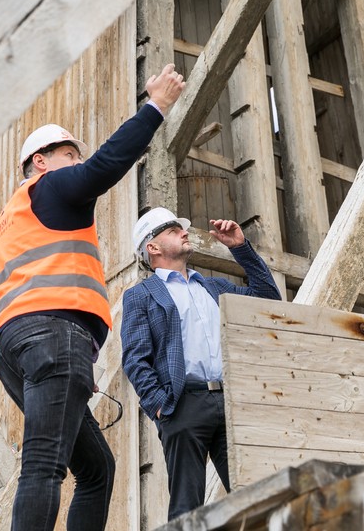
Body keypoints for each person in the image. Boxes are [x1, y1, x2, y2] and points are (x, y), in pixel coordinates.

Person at [0, 64, 185, 531]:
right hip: (55, 335)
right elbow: (105, 167)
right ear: (41, 161)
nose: (78, 163)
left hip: (13, 349)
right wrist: (156, 107)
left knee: (96, 469)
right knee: (43, 465)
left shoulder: (7, 222)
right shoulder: (50, 187)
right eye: (70, 154)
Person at [121, 208, 281, 520]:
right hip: (182, 406)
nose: (184, 232)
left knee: (256, 501)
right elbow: (135, 358)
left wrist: (240, 248)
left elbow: (269, 300)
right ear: (152, 247)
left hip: (229, 403)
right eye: (171, 230)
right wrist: (160, 408)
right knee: (187, 508)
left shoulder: (215, 287)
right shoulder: (141, 296)